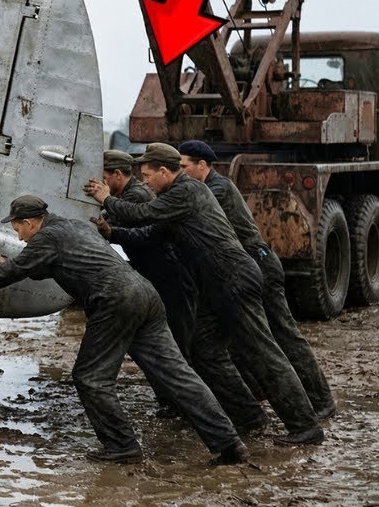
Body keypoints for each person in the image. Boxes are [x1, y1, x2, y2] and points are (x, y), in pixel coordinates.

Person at [0, 194, 248, 465]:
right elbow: (42, 265)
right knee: (177, 373)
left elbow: (19, 268)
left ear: (29, 222)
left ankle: (122, 446)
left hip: (114, 300)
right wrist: (11, 264)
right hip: (145, 294)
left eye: (17, 229)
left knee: (91, 377)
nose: (18, 235)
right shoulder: (72, 227)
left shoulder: (46, 238)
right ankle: (228, 442)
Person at [84, 144, 324, 446]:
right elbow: (148, 233)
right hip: (214, 285)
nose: (143, 181)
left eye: (146, 176)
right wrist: (111, 232)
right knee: (203, 351)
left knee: (262, 352)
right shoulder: (172, 201)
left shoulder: (187, 192)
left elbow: (142, 213)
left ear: (163, 171)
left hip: (234, 279)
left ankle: (305, 425)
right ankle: (248, 415)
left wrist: (105, 198)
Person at [177, 139, 337, 420]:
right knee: (235, 342)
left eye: (183, 167)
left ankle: (321, 399)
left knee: (284, 335)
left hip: (259, 265)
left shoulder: (217, 190)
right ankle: (256, 397)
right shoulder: (205, 188)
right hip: (240, 271)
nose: (180, 173)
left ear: (202, 165)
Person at [101, 149, 198, 364]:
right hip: (157, 272)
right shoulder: (125, 195)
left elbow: (122, 225)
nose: (145, 182)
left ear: (118, 174)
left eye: (104, 179)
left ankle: (187, 389)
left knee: (178, 338)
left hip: (167, 274)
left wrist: (106, 225)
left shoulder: (135, 195)